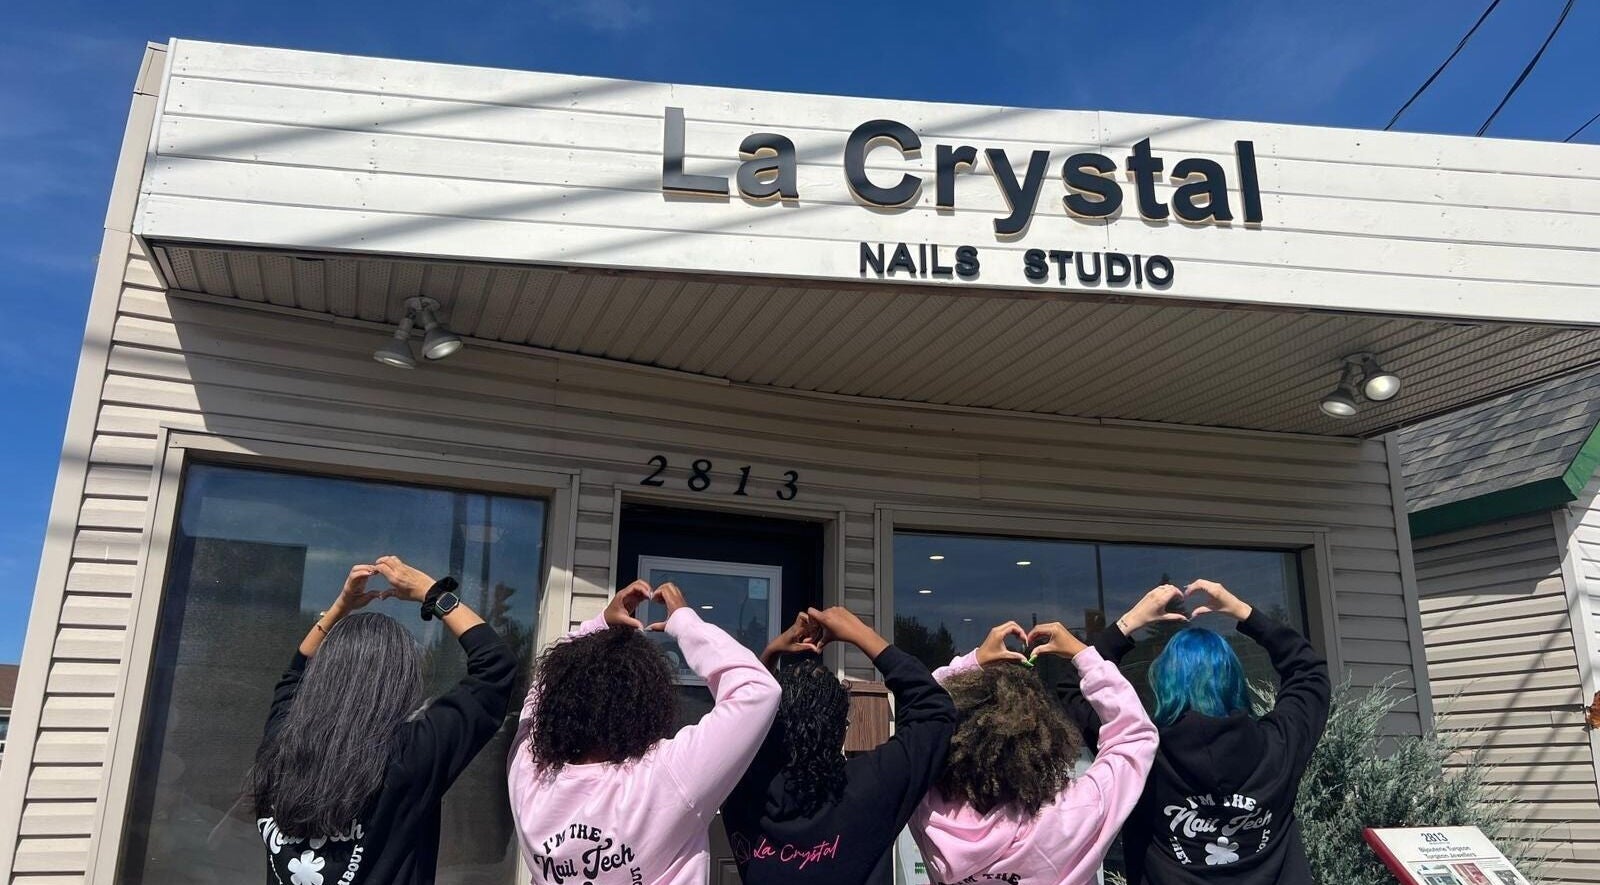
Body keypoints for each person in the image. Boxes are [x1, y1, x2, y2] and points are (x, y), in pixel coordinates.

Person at [246, 555, 516, 885]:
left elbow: (293, 675)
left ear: (321, 676)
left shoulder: (281, 747)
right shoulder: (410, 756)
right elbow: (495, 667)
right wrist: (432, 593)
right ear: (397, 683)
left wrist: (340, 608)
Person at [1057, 580, 1331, 885]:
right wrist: (1243, 612)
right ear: (1234, 680)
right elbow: (1309, 673)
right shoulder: (1278, 745)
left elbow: (1074, 685)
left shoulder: (1140, 755)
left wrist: (1129, 623)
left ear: (1162, 683)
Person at [508, 580, 781, 885]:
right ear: (646, 706)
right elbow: (757, 690)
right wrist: (684, 621)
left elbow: (537, 695)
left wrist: (599, 625)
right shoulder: (664, 777)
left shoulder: (528, 777)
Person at [910, 618, 1158, 885]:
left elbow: (919, 716)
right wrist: (1084, 655)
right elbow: (1134, 735)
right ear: (1046, 739)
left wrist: (974, 661)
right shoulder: (1073, 812)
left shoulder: (930, 810)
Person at [721, 606, 957, 885]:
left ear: (769, 725)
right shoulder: (872, 786)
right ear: (842, 730)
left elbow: (734, 726)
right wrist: (859, 632)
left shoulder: (738, 788)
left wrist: (771, 653)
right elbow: (934, 712)